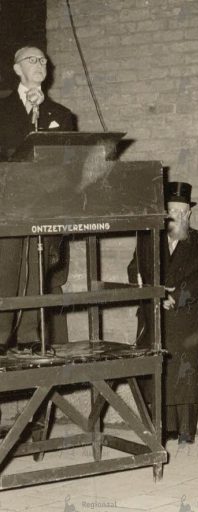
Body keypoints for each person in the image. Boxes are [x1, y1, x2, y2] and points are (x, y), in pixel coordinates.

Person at [128, 182, 198, 445]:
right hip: (155, 315)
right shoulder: (148, 241)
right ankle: (163, 430)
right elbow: (135, 271)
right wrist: (156, 296)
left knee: (186, 377)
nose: (177, 216)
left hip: (189, 318)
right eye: (172, 211)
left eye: (182, 211)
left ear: (189, 214)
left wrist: (176, 297)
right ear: (164, 214)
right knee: (162, 373)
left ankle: (186, 432)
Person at [0, 46, 75, 349]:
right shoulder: (2, 111)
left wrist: (41, 114)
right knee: (5, 269)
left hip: (44, 205)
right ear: (17, 69)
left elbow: (67, 160)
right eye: (32, 59)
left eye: (44, 60)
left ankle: (30, 336)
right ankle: (1, 336)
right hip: (8, 203)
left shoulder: (61, 114)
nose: (41, 64)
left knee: (37, 266)